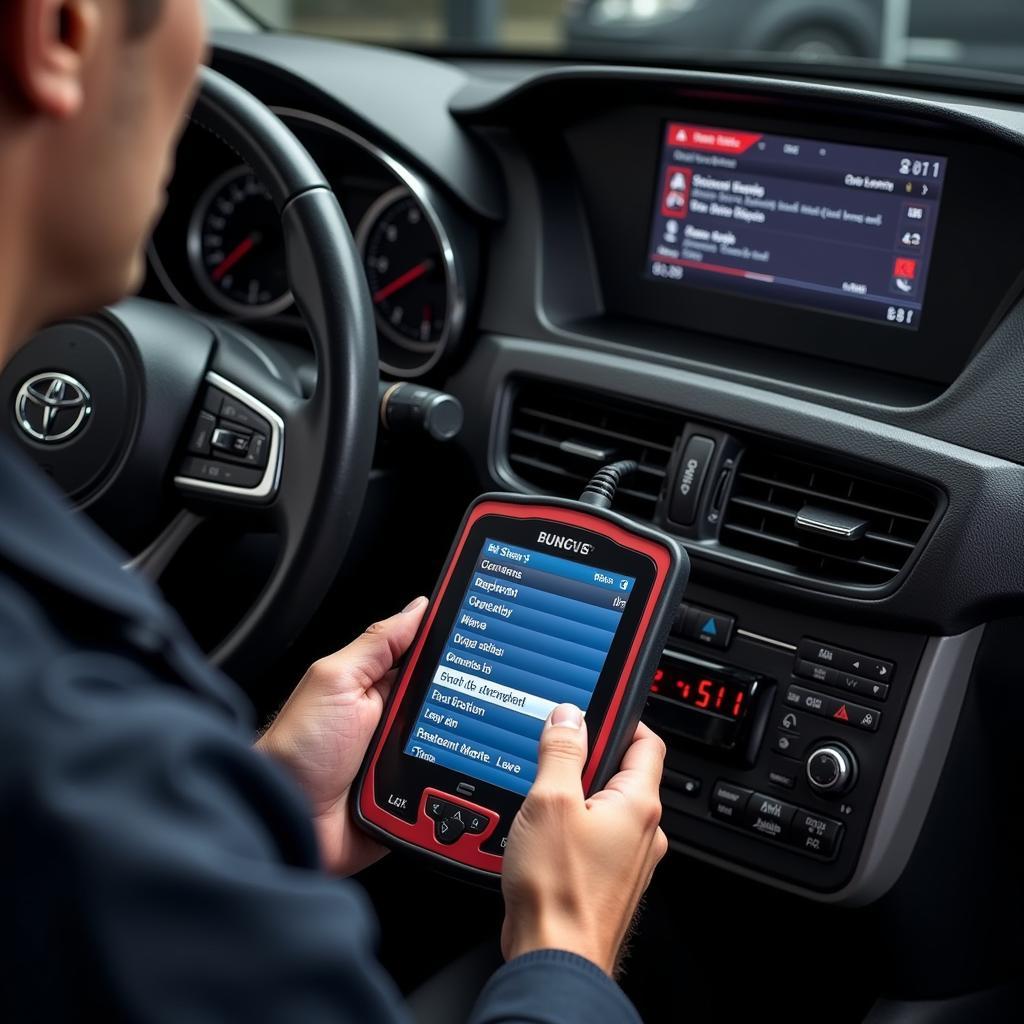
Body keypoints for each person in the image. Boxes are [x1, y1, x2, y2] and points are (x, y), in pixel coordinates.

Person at [0, 2, 669, 1020]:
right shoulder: (79, 746)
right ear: (61, 31)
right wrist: (565, 944)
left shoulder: (91, 771)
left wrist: (247, 812)